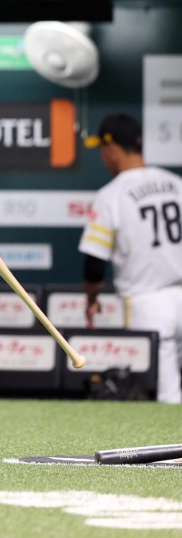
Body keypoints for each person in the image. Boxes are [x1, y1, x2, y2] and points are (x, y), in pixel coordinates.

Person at [79, 113, 182, 404]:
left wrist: (91, 299)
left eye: (101, 149)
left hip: (148, 302)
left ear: (111, 148)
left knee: (168, 397)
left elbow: (95, 261)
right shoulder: (176, 184)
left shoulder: (112, 195)